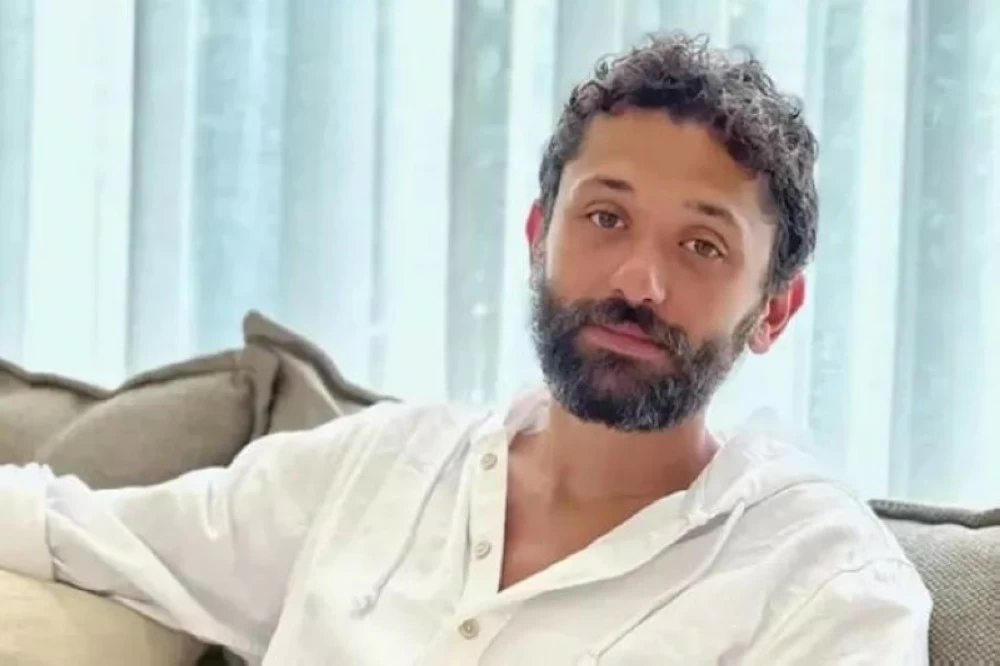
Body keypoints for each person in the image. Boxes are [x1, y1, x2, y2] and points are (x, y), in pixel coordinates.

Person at [0, 34, 930, 665]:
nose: (637, 282)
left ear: (775, 310)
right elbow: (66, 530)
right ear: (538, 236)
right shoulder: (376, 470)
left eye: (701, 245)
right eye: (605, 218)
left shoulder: (827, 588)